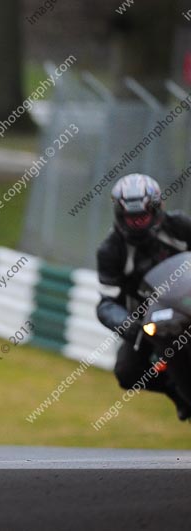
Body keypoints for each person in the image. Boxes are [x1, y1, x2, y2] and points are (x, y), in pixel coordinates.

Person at [96, 173, 191, 420]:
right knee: (126, 371)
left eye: (143, 216)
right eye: (132, 218)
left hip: (188, 305)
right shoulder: (110, 250)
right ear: (120, 215)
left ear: (156, 210)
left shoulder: (180, 226)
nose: (137, 223)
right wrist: (129, 325)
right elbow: (106, 302)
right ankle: (178, 393)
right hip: (149, 322)